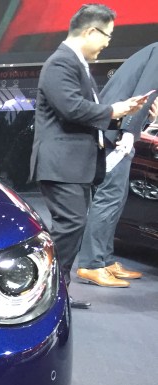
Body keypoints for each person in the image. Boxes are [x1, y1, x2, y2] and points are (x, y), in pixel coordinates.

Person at [30, 4, 151, 309]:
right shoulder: (61, 63)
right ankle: (43, 291)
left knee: (72, 226)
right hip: (61, 164)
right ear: (90, 31)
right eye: (107, 36)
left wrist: (122, 116)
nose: (108, 43)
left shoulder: (76, 64)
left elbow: (85, 114)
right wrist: (114, 110)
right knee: (70, 225)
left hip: (74, 165)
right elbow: (71, 108)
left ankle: (55, 291)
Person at [76, 42, 158, 287]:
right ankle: (91, 264)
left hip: (116, 129)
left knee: (117, 197)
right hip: (116, 132)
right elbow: (146, 91)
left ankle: (105, 260)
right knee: (109, 196)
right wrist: (130, 131)